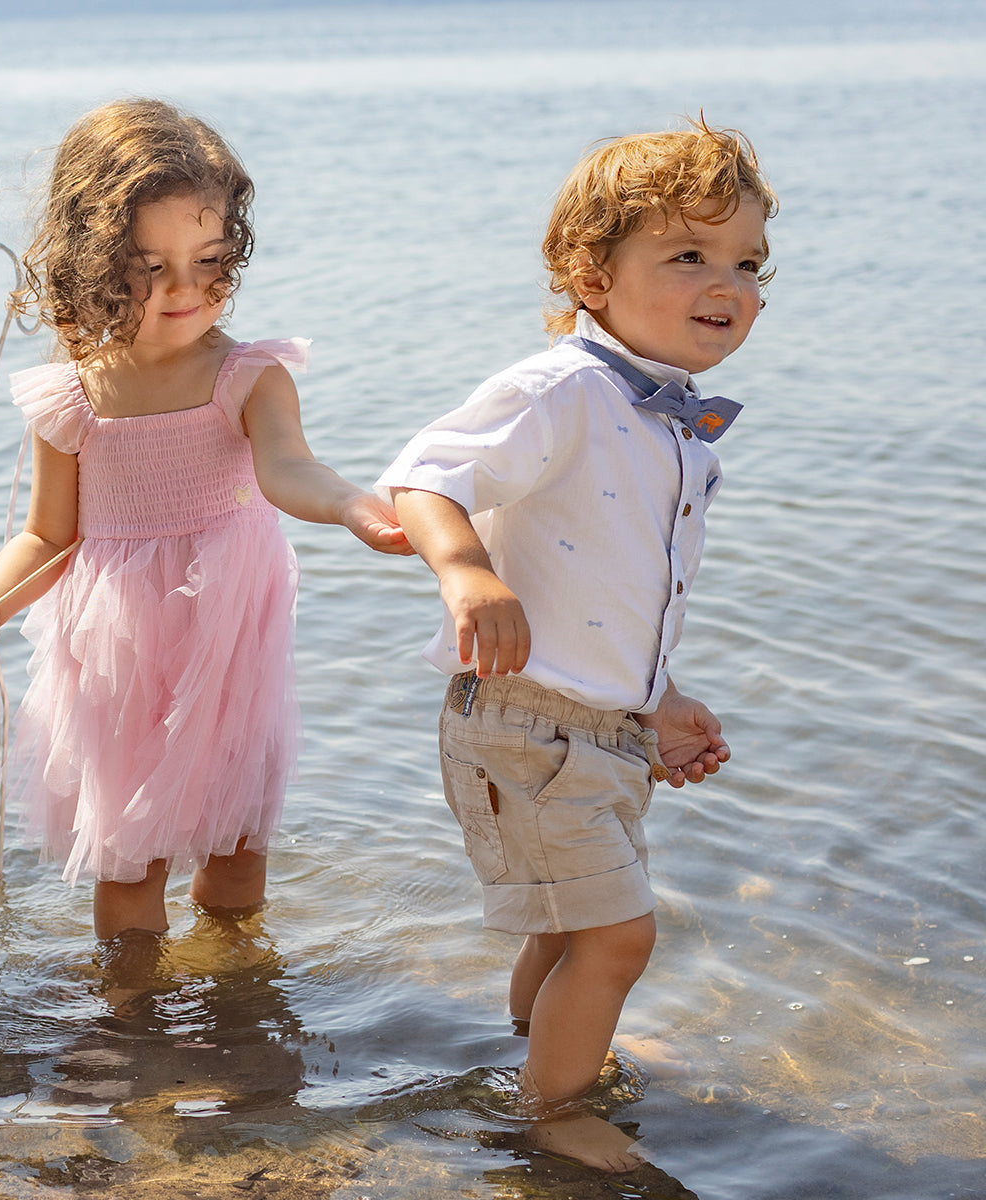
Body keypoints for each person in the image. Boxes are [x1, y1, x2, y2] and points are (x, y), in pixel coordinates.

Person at [377, 119, 777, 1172]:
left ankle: (539, 1051)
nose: (725, 282)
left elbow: (613, 591)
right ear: (591, 277)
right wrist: (467, 572)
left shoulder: (674, 423)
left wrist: (661, 699)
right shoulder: (562, 390)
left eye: (745, 262)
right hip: (523, 723)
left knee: (565, 929)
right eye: (688, 254)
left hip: (597, 726)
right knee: (618, 935)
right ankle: (550, 1117)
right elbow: (425, 475)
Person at [0, 98, 410, 942]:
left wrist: (348, 504)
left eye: (210, 258)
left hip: (230, 643)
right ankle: (132, 1026)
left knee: (236, 844)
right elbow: (48, 536)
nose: (186, 288)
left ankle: (235, 994)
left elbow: (287, 468)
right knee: (129, 856)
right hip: (118, 651)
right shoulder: (71, 395)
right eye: (150, 266)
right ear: (93, 264)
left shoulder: (249, 377)